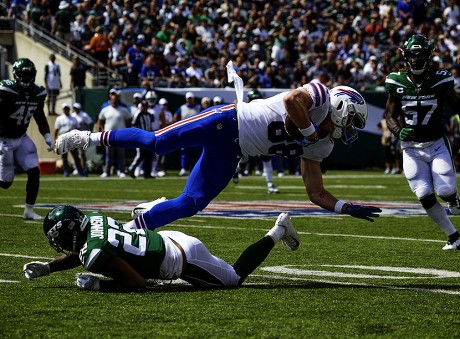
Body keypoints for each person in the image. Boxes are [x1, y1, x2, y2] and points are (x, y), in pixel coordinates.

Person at [55, 61, 382, 230]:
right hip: (225, 121)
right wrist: (310, 130)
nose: (348, 130)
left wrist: (344, 207)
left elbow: (315, 192)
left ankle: (134, 226)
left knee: (192, 202)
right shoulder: (320, 97)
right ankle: (86, 137)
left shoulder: (322, 145)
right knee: (157, 144)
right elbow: (294, 99)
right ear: (341, 108)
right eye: (350, 121)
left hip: (234, 151)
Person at [22, 205, 299, 291]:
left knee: (234, 279)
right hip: (165, 240)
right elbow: (86, 250)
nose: (57, 243)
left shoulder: (92, 252)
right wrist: (49, 267)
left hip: (182, 258)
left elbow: (139, 284)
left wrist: (99, 286)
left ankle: (279, 229)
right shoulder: (94, 220)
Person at [385, 34, 460, 250]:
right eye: (413, 55)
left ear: (429, 55)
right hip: (411, 149)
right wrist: (398, 131)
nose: (417, 59)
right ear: (405, 56)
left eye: (421, 55)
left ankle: (453, 199)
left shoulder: (441, 80)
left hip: (436, 143)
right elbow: (390, 116)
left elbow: (458, 107)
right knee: (423, 194)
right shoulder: (395, 82)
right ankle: (454, 236)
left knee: (445, 190)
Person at [0, 58, 54, 220]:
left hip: (21, 137)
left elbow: (39, 115)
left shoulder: (37, 93)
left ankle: (29, 210)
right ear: (16, 75)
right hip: (4, 138)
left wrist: (47, 136)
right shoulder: (6, 90)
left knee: (34, 170)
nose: (26, 78)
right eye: (23, 75)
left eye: (29, 74)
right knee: (5, 183)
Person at [233, 89, 280, 194]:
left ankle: (270, 184)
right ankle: (236, 171)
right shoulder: (243, 109)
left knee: (266, 158)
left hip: (260, 137)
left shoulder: (264, 109)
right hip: (247, 138)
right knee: (244, 160)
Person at [97, 88, 131, 178]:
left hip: (120, 136)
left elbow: (128, 120)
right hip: (109, 136)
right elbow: (100, 121)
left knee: (120, 155)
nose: (114, 100)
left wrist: (126, 131)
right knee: (109, 155)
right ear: (110, 99)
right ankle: (107, 172)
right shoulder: (105, 109)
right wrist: (101, 130)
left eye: (115, 98)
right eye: (112, 98)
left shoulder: (123, 110)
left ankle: (121, 171)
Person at [173, 91, 202, 177]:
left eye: (191, 98)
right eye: (188, 98)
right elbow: (176, 116)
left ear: (193, 99)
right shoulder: (182, 108)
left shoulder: (198, 107)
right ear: (186, 99)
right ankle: (184, 169)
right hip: (185, 133)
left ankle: (197, 170)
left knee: (197, 153)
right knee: (185, 153)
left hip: (196, 134)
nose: (190, 100)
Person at [54, 103, 85, 177]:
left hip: (72, 139)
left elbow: (78, 128)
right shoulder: (59, 119)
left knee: (76, 157)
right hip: (63, 139)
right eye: (65, 109)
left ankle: (80, 172)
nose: (66, 110)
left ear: (69, 109)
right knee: (64, 157)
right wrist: (55, 140)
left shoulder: (74, 118)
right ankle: (66, 172)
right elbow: (56, 130)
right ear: (63, 109)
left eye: (67, 108)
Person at [127, 101, 154, 179]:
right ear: (141, 106)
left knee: (148, 156)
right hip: (141, 138)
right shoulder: (138, 114)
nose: (145, 107)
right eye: (143, 106)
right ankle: (131, 169)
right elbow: (133, 125)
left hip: (148, 137)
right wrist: (137, 136)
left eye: (146, 106)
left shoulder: (149, 115)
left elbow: (150, 126)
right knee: (140, 155)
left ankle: (147, 173)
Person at [71, 102, 93, 174]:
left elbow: (90, 123)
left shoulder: (84, 115)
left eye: (77, 108)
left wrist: (90, 132)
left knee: (82, 153)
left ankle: (83, 167)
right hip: (74, 137)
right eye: (75, 108)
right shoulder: (72, 115)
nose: (75, 110)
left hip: (82, 136)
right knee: (75, 153)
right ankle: (77, 168)